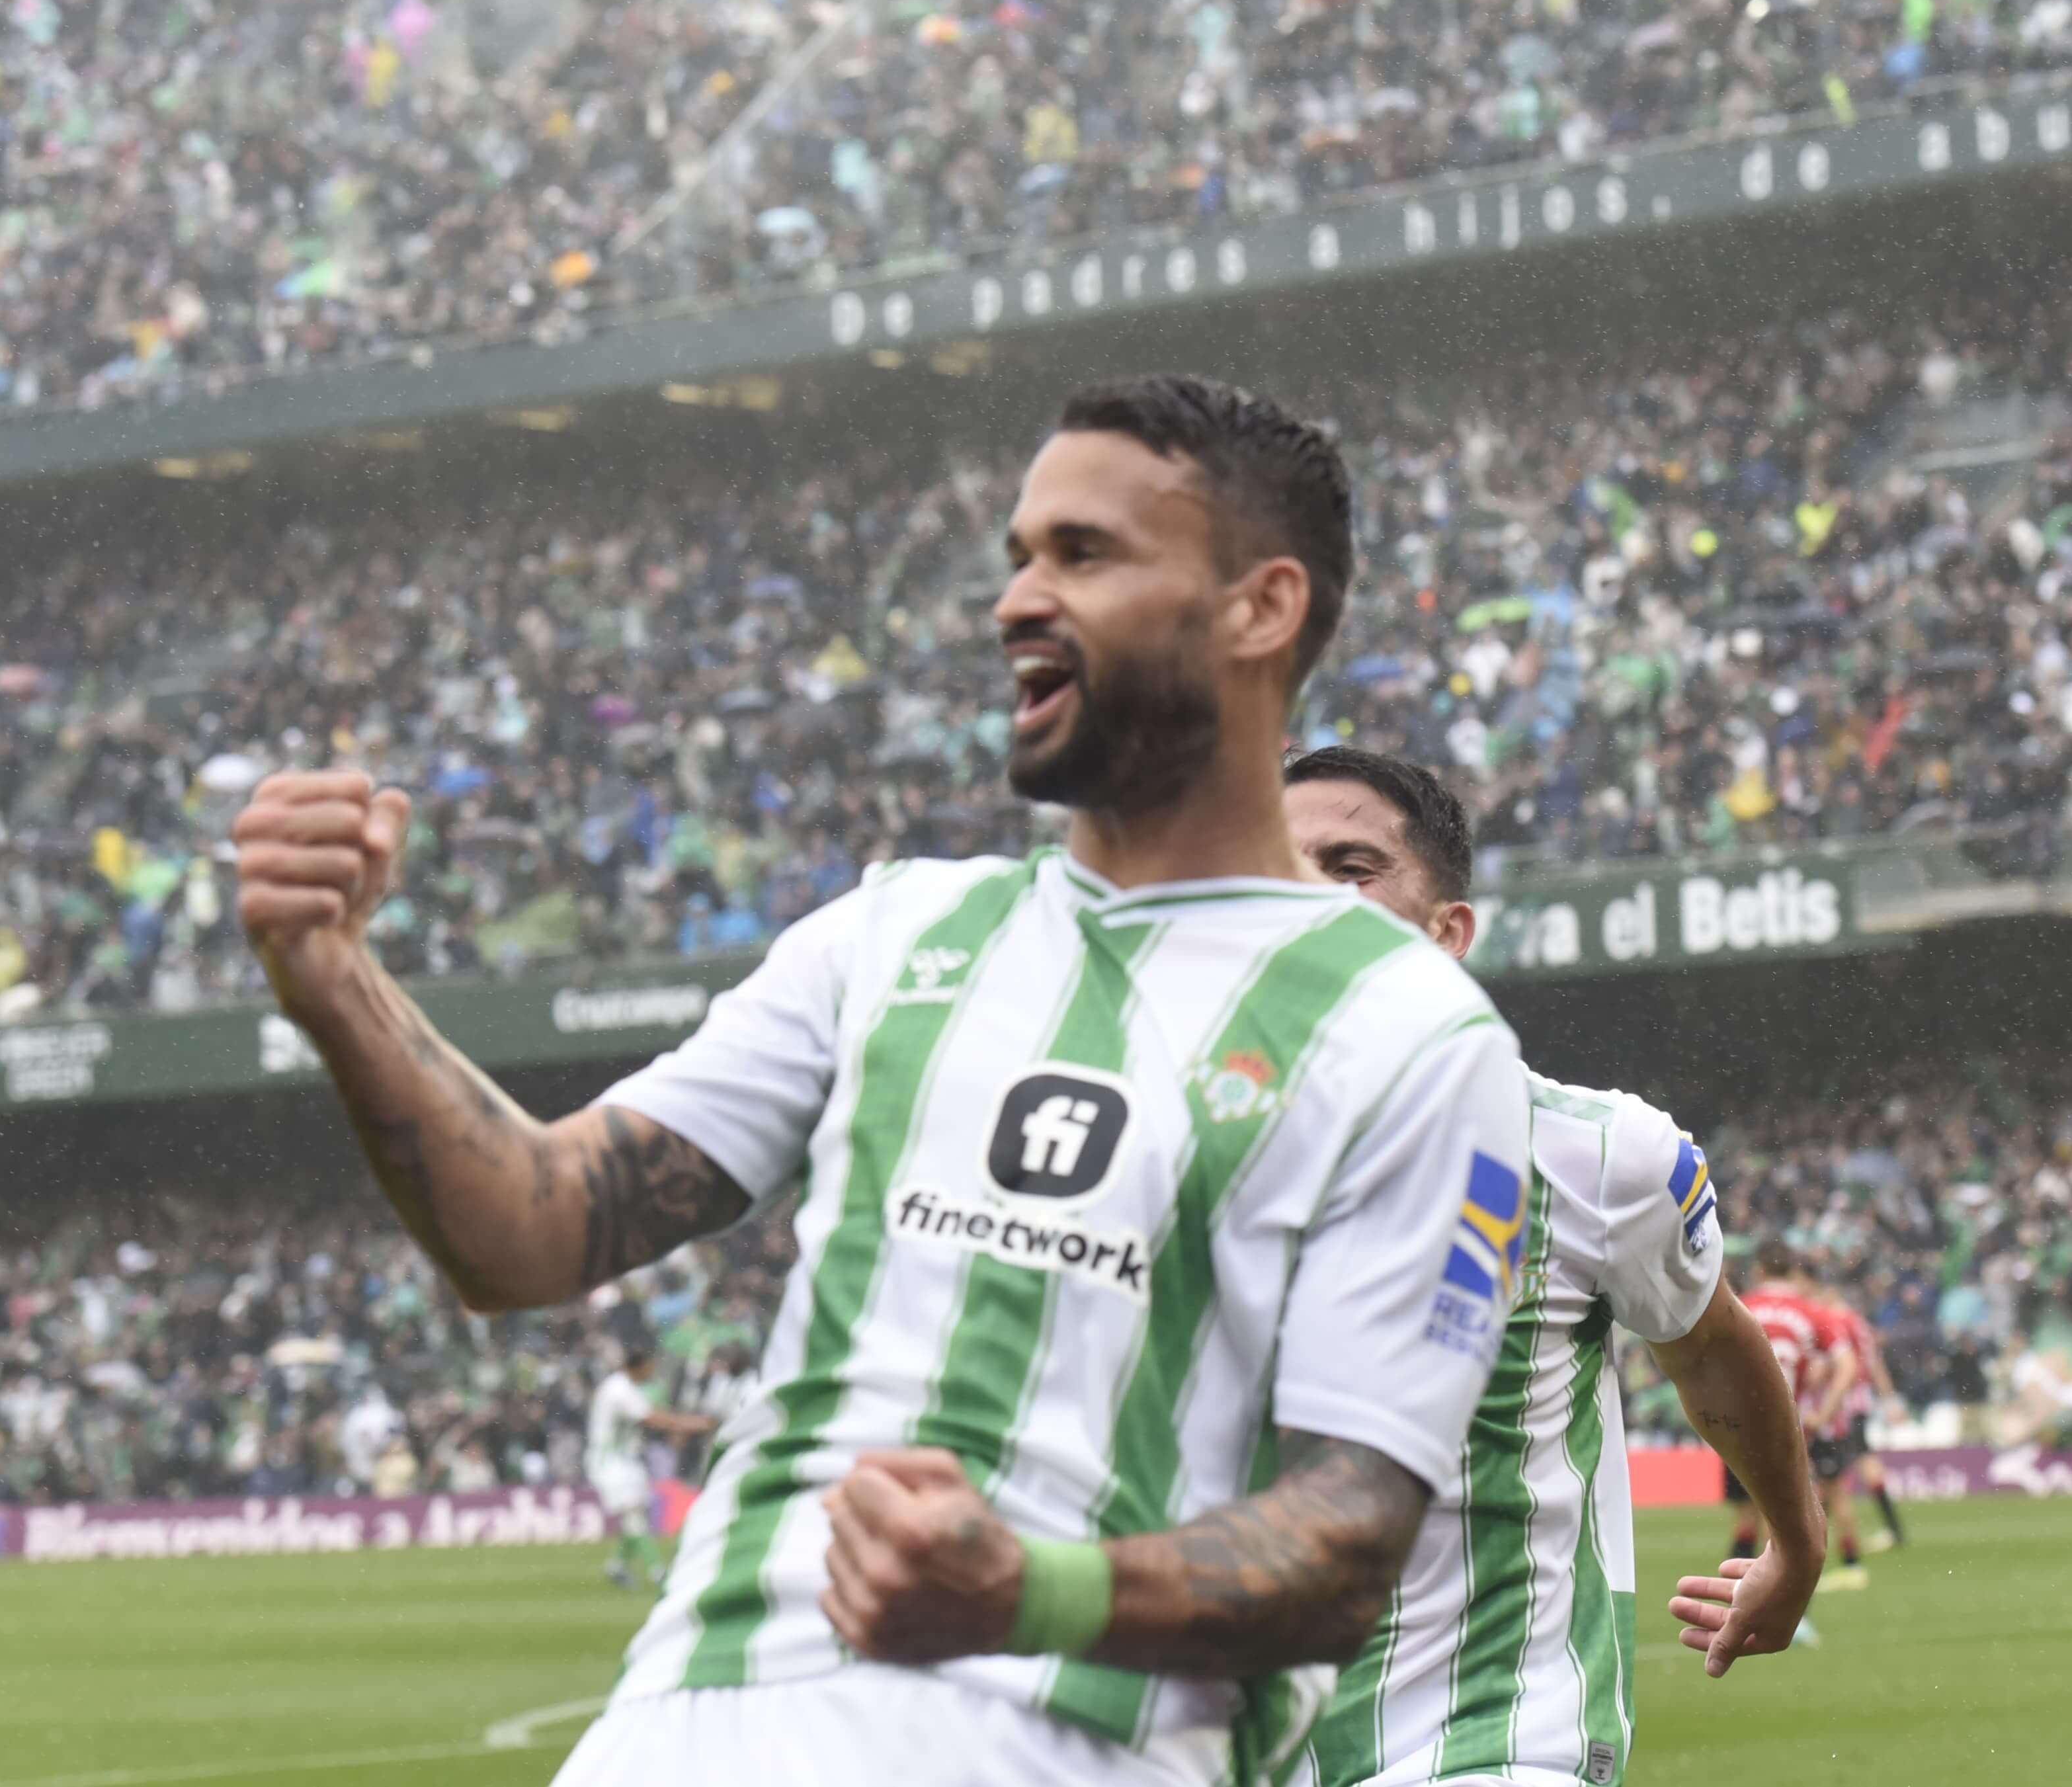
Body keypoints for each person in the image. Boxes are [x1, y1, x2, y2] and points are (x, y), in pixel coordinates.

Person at [236, 375, 1530, 1786]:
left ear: (1257, 607)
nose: (1017, 600)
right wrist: (337, 983)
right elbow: (536, 1224)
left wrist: (1024, 1593)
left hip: (1061, 1745)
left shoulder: (1406, 1028)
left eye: (1083, 554)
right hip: (679, 1725)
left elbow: (1348, 1538)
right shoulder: (897, 929)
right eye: (1018, 556)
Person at [1278, 744, 1825, 1787]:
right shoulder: (1162, 1161)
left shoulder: (1597, 1156)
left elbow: (1709, 1345)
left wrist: (1795, 1546)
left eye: (1349, 866)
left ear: (1447, 934)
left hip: (1488, 1743)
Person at [1727, 1244, 1870, 1591]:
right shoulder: (1814, 1314)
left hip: (1742, 1429)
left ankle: (1736, 1593)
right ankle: (1794, 1603)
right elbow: (1849, 1365)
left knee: (1750, 1513)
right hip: (1794, 1431)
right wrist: (1824, 1412)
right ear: (1793, 1273)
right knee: (1795, 1517)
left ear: (1759, 1271)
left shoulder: (1738, 1307)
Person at [589, 1343, 706, 1588]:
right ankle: (658, 1571)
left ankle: (618, 1566)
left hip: (626, 1459)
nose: (652, 1373)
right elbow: (653, 1418)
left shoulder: (625, 1386)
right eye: (649, 1368)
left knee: (637, 1514)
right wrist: (694, 1424)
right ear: (637, 1368)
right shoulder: (619, 1390)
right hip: (610, 1461)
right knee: (633, 1514)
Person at [1813, 1276, 1908, 1554]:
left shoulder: (1835, 1320)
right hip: (1862, 1401)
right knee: (1861, 1463)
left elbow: (1837, 1364)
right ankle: (1893, 1529)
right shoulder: (1858, 1321)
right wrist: (1889, 1398)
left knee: (1834, 1472)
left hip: (1845, 1404)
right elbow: (1874, 1361)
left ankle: (1825, 1539)